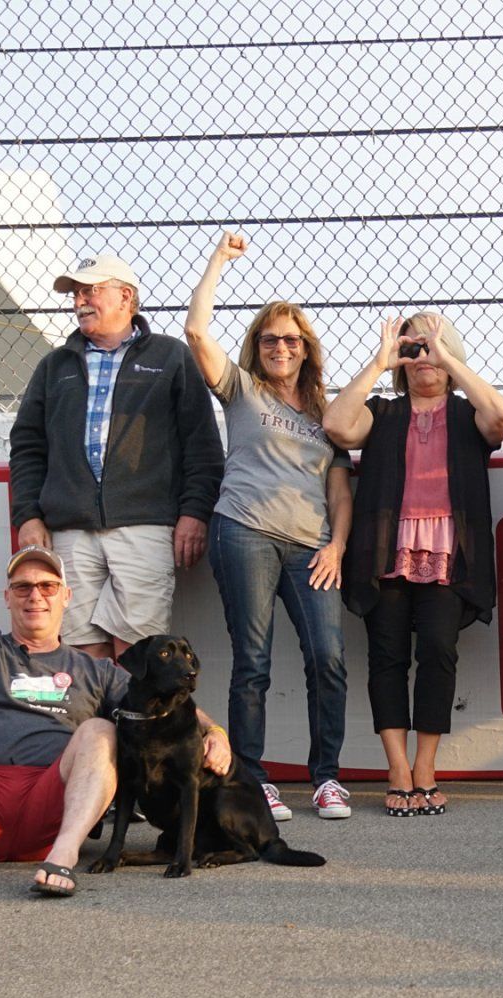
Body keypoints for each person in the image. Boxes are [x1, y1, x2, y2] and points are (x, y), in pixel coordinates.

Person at [0, 513, 228, 900]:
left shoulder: (95, 670)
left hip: (50, 806)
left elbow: (166, 701)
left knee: (100, 731)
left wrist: (214, 731)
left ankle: (63, 858)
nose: (35, 595)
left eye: (47, 585)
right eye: (22, 587)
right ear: (6, 597)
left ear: (66, 595)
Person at [186, 232, 354, 822]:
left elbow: (339, 487)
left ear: (306, 348)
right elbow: (198, 334)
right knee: (253, 660)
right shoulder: (242, 388)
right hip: (245, 532)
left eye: (291, 339)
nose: (281, 346)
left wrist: (337, 544)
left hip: (313, 547)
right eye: (269, 338)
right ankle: (254, 780)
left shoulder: (325, 413)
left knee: (326, 657)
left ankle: (327, 778)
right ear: (257, 347)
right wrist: (218, 263)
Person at [324, 313, 503, 817]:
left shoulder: (465, 412)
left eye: (433, 347)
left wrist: (449, 358)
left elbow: (500, 417)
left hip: (450, 552)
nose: (423, 356)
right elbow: (338, 426)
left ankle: (425, 766)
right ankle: (397, 769)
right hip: (387, 548)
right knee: (386, 656)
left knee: (437, 651)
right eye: (415, 348)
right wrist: (379, 361)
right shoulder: (383, 413)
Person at [8, 253, 224, 658]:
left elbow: (203, 444)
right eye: (75, 293)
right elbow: (27, 447)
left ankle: (129, 724)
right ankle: (91, 726)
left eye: (90, 291)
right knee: (76, 653)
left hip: (145, 525)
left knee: (137, 654)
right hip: (68, 530)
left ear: (125, 296)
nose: (78, 301)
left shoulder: (170, 357)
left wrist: (195, 513)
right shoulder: (54, 366)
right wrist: (28, 515)